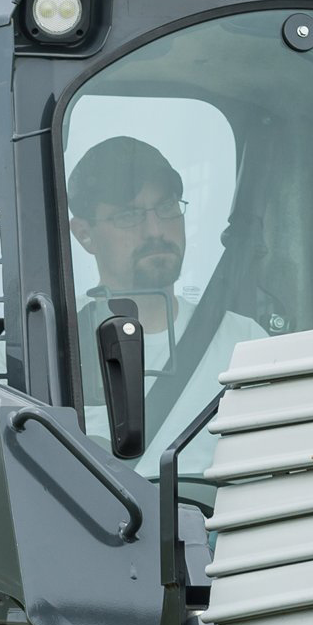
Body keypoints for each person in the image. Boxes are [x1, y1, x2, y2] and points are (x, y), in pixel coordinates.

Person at [66, 134, 263, 465]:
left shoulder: (245, 344)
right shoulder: (53, 345)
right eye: (129, 215)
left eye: (167, 207)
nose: (155, 229)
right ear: (85, 234)